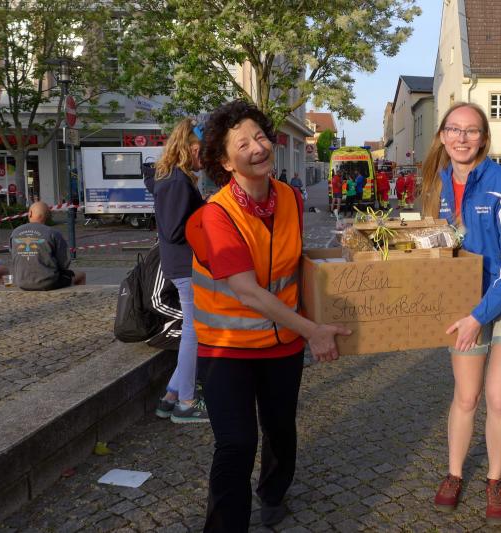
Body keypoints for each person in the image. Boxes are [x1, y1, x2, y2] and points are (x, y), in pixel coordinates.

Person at [185, 100, 350, 532]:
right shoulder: (216, 216)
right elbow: (246, 290)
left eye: (260, 136)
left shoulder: (291, 198)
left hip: (282, 347)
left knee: (280, 429)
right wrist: (313, 330)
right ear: (225, 161)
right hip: (227, 350)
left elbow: (296, 266)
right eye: (242, 144)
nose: (257, 148)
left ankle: (274, 492)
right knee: (236, 444)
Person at [421, 102, 501, 523]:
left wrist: (479, 316)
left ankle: (494, 479)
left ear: (484, 139)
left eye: (471, 131)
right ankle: (454, 474)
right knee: (466, 395)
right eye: (454, 129)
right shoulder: (434, 186)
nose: (462, 138)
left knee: (499, 397)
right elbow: (432, 246)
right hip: (465, 301)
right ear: (442, 136)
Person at [145, 118, 208, 424]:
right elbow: (174, 229)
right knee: (194, 333)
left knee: (194, 332)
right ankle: (186, 402)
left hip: (182, 264)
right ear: (191, 148)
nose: (206, 158)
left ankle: (170, 398)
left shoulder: (172, 177)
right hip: (186, 265)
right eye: (204, 151)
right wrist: (206, 214)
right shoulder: (177, 181)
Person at [9, 202, 84, 290]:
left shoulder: (15, 232)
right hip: (48, 282)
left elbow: (13, 255)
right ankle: (76, 297)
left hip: (21, 282)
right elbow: (64, 264)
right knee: (81, 275)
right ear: (47, 216)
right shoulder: (53, 233)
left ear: (30, 213)